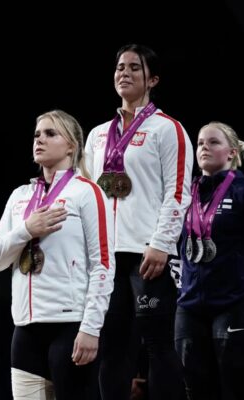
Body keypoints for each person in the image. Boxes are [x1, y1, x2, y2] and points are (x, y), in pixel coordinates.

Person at [85, 43, 193, 400]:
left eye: (135, 67)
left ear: (153, 80)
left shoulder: (168, 129)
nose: (125, 73)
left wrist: (161, 243)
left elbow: (177, 192)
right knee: (113, 348)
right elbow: (87, 196)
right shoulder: (98, 135)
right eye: (120, 67)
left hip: (148, 255)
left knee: (159, 345)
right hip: (106, 258)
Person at [0, 109, 115, 400]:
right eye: (36, 134)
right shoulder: (19, 196)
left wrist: (91, 327)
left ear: (71, 146)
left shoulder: (87, 192)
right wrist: (26, 230)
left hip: (71, 326)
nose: (39, 140)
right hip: (25, 330)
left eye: (50, 133)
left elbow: (103, 265)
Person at [174, 121, 244, 400]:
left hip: (234, 303)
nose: (204, 147)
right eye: (200, 143)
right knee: (194, 388)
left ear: (232, 152)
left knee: (237, 387)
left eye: (213, 142)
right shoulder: (184, 195)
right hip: (189, 305)